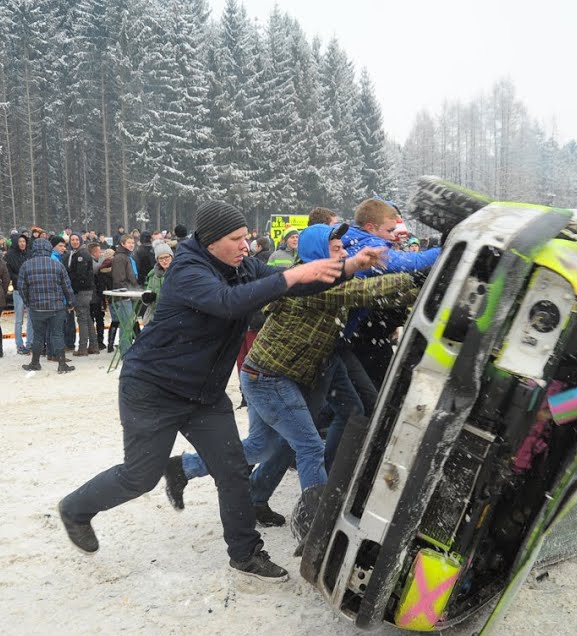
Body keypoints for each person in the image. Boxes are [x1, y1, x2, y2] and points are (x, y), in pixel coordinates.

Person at [57, 201, 386, 583]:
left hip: (205, 395)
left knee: (232, 470)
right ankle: (75, 509)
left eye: (246, 237)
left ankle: (245, 554)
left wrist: (348, 267)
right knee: (140, 477)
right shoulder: (187, 270)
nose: (246, 246)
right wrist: (294, 276)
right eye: (237, 239)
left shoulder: (241, 265)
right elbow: (228, 303)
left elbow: (297, 286)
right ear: (212, 241)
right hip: (153, 389)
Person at [165, 223, 417, 535]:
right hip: (268, 378)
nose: (343, 254)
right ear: (317, 252)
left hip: (277, 374)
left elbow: (377, 296)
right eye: (336, 249)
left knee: (261, 447)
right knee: (309, 446)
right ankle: (314, 522)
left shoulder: (322, 278)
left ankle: (184, 467)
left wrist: (416, 289)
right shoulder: (312, 284)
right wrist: (414, 275)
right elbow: (362, 292)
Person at [17, 237, 76, 374]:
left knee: (38, 335)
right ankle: (62, 364)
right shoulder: (57, 264)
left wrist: (28, 302)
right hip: (56, 307)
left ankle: (35, 363)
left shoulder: (26, 265)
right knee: (57, 334)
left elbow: (21, 287)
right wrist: (71, 302)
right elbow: (67, 286)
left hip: (36, 308)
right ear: (49, 248)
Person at [68, 235, 99, 355]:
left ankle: (82, 348)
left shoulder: (81, 254)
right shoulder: (77, 253)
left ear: (80, 241)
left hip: (82, 290)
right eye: (72, 240)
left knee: (82, 318)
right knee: (87, 318)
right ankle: (93, 345)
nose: (74, 242)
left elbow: (80, 275)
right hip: (85, 290)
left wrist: (73, 288)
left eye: (76, 239)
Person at [6, 233, 34, 355]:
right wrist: (20, 279)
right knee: (19, 319)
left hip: (30, 288)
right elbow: (9, 273)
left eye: (24, 241)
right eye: (20, 242)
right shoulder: (10, 256)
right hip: (18, 289)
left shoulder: (30, 253)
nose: (22, 244)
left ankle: (30, 343)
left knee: (31, 318)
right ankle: (19, 344)